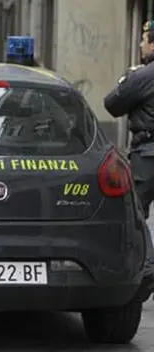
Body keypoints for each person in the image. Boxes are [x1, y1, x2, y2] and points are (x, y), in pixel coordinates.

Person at [103, 20, 154, 301]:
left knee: (135, 211)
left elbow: (112, 104)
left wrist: (126, 80)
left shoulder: (143, 76)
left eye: (144, 39)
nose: (140, 44)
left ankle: (147, 267)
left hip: (148, 154)